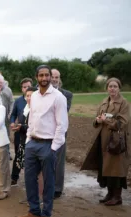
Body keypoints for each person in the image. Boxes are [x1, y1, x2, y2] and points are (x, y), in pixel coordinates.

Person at [15, 65, 68, 217]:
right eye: (41, 75)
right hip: (33, 143)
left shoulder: (58, 97)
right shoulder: (35, 96)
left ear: (51, 77)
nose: (45, 78)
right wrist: (29, 138)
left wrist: (53, 148)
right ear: (36, 77)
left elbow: (62, 125)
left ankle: (46, 215)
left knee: (48, 182)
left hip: (48, 145)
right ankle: (34, 211)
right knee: (29, 179)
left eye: (47, 75)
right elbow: (32, 119)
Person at [81, 78, 129, 206]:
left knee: (116, 169)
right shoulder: (104, 102)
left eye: (115, 86)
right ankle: (109, 194)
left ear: (119, 88)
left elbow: (122, 123)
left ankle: (117, 196)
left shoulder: (124, 103)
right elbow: (96, 121)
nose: (112, 89)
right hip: (103, 140)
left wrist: (106, 120)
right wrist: (97, 120)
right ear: (107, 88)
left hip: (116, 142)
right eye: (110, 86)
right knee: (106, 168)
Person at [12, 87, 44, 204]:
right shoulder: (25, 109)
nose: (29, 97)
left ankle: (39, 197)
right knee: (28, 172)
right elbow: (24, 125)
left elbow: (35, 127)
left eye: (32, 95)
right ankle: (31, 196)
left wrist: (21, 127)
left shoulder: (38, 110)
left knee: (38, 172)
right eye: (27, 95)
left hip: (34, 143)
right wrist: (18, 127)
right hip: (24, 142)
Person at [51, 69, 74, 199]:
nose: (55, 79)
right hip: (46, 131)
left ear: (60, 79)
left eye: (57, 77)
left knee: (59, 161)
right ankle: (46, 186)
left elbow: (62, 113)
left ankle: (57, 188)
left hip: (59, 131)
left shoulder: (67, 95)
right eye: (53, 77)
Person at [10, 78, 33, 186]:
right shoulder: (18, 101)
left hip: (31, 134)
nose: (26, 89)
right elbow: (13, 114)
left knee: (30, 157)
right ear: (22, 89)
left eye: (28, 86)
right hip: (19, 133)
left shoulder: (37, 101)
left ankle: (30, 180)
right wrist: (11, 122)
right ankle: (14, 177)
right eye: (24, 87)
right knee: (18, 155)